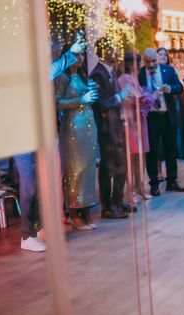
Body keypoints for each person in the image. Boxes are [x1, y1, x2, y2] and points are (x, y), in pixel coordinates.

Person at [15, 35, 86, 251]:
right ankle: (26, 236)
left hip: (35, 135)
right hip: (22, 135)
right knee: (29, 185)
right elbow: (52, 70)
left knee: (37, 183)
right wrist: (71, 53)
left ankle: (36, 230)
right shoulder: (26, 73)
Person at [55, 44, 98, 230]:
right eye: (76, 54)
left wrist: (91, 93)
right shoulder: (61, 77)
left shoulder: (82, 76)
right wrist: (81, 100)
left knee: (88, 170)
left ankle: (87, 213)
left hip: (88, 127)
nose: (80, 58)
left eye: (81, 54)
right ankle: (74, 215)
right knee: (75, 171)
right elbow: (56, 103)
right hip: (72, 129)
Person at [89, 37, 131, 219]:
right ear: (103, 51)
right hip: (106, 128)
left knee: (122, 165)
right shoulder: (97, 73)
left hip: (116, 125)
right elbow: (101, 103)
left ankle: (118, 200)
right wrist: (121, 96)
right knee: (108, 167)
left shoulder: (111, 71)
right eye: (111, 48)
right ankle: (107, 205)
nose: (115, 51)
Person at [138, 48, 184, 196]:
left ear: (158, 59)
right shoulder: (140, 74)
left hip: (167, 115)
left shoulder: (168, 70)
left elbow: (179, 87)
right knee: (152, 151)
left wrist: (169, 88)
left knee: (170, 149)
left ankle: (172, 180)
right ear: (143, 61)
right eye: (148, 62)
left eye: (154, 61)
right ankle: (154, 184)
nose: (151, 64)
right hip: (151, 117)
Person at [118, 52, 152, 203]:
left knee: (140, 155)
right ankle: (131, 191)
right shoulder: (125, 79)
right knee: (132, 156)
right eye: (138, 63)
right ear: (132, 64)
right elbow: (134, 98)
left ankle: (140, 187)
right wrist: (151, 97)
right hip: (131, 119)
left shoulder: (133, 78)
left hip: (138, 119)